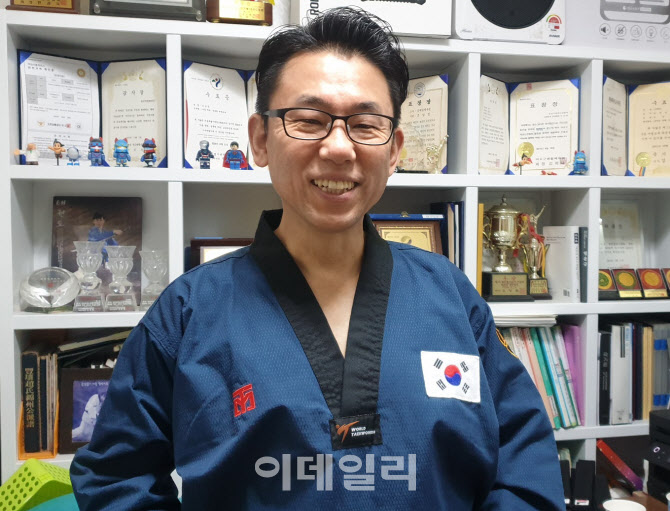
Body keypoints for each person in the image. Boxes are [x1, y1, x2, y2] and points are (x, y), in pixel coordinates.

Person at [70, 7, 564, 509]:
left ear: (394, 150)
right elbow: (116, 478)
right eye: (309, 120)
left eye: (365, 124)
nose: (339, 148)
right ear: (260, 139)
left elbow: (525, 462)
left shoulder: (449, 295)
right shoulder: (189, 313)